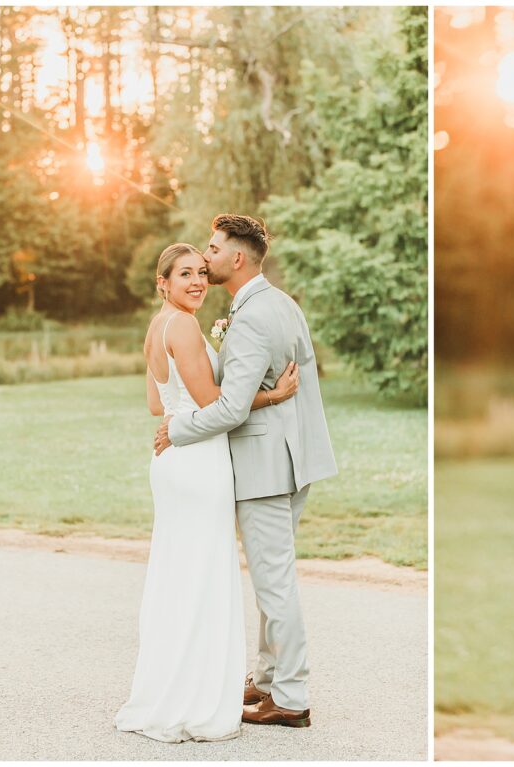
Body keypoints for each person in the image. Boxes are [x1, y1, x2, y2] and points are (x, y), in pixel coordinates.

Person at [154, 214, 337, 729]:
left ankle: (292, 696)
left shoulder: (254, 315)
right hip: (291, 459)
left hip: (265, 466)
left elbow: (232, 407)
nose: (205, 258)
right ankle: (269, 677)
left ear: (236, 258)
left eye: (212, 249)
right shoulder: (277, 302)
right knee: (270, 577)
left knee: (275, 583)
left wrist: (179, 429)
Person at [115, 243, 300, 742]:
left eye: (202, 271)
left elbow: (159, 403)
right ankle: (194, 697)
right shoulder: (184, 326)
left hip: (174, 462)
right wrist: (271, 396)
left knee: (179, 573)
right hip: (198, 461)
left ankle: (171, 687)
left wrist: (181, 420)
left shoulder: (157, 327)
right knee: (202, 574)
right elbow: (220, 404)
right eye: (184, 275)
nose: (197, 281)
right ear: (163, 282)